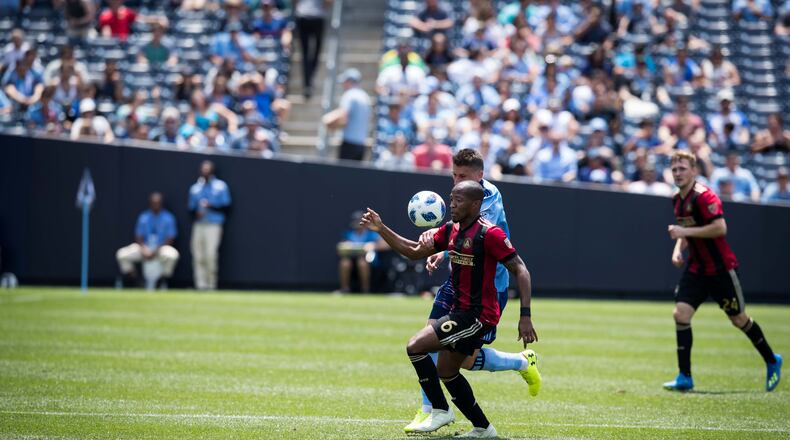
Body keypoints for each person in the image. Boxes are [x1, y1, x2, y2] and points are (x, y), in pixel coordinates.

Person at [360, 180, 537, 438]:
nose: (452, 205)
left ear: (476, 204)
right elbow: (414, 251)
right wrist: (381, 228)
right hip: (460, 311)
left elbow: (521, 269)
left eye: (459, 200)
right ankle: (484, 428)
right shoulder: (451, 230)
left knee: (415, 346)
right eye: (451, 199)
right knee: (447, 371)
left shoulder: (490, 234)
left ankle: (440, 410)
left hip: (477, 315)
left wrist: (525, 316)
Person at [401, 149, 542, 434]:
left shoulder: (488, 198)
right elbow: (457, 236)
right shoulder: (463, 194)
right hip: (457, 281)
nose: (456, 181)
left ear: (480, 176)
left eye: (463, 176)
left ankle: (520, 362)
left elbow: (470, 233)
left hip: (487, 289)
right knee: (429, 339)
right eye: (454, 175)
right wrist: (440, 251)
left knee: (462, 361)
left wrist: (439, 245)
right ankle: (432, 409)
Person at [664, 151, 782, 392]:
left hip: (721, 270)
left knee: (739, 319)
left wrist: (683, 234)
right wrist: (679, 249)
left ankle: (772, 359)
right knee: (681, 315)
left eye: (682, 168)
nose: (678, 173)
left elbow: (719, 228)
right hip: (696, 269)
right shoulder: (677, 198)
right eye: (675, 169)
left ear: (694, 170)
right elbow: (686, 228)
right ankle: (684, 376)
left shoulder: (704, 196)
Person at [115, 192, 180, 289]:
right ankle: (137, 281)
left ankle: (161, 281)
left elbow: (170, 238)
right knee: (121, 254)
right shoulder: (144, 217)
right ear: (150, 204)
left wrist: (156, 251)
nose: (155, 205)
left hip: (161, 248)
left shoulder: (168, 218)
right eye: (153, 203)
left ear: (161, 204)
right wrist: (144, 249)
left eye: (157, 203)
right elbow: (138, 236)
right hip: (144, 248)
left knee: (173, 255)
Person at [188, 160, 232, 291]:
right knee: (198, 255)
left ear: (212, 171)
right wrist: (196, 214)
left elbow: (227, 207)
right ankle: (200, 285)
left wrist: (211, 207)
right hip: (199, 225)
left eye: (208, 169)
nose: (205, 172)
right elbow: (190, 209)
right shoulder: (195, 188)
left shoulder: (221, 186)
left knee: (210, 254)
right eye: (203, 169)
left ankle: (211, 285)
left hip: (214, 225)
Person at [322, 68, 371, 161]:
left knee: (342, 175)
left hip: (349, 144)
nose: (343, 85)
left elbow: (343, 116)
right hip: (361, 145)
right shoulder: (365, 97)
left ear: (349, 81)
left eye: (344, 82)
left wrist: (328, 120)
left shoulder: (350, 95)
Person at [336, 211, 386, 293]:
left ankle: (365, 290)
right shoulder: (349, 234)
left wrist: (373, 246)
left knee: (362, 263)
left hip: (369, 262)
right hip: (351, 260)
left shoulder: (371, 234)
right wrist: (346, 246)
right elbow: (341, 247)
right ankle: (344, 289)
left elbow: (385, 245)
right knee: (344, 263)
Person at [294, 0, 330, 98]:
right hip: (313, 16)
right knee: (312, 53)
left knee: (309, 54)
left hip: (306, 16)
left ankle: (308, 81)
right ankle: (309, 81)